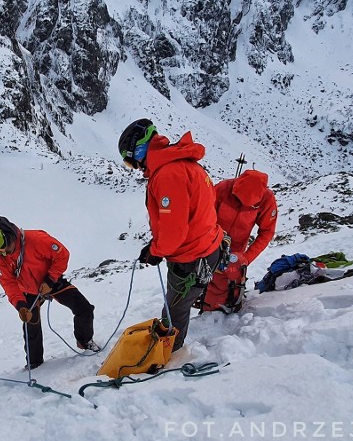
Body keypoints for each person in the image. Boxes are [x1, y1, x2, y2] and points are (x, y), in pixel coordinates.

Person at [118, 119, 224, 352]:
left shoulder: (168, 174)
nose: (134, 167)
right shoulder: (182, 163)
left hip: (191, 257)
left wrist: (156, 251)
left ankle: (168, 356)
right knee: (176, 306)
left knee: (174, 310)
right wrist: (156, 245)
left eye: (129, 161)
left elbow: (175, 232)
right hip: (205, 247)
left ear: (138, 150)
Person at [0, 215, 100, 369]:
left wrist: (51, 280)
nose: (2, 254)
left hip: (51, 281)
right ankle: (34, 363)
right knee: (30, 325)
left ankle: (85, 341)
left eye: (2, 250)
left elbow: (62, 255)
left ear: (7, 238)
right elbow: (8, 282)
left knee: (84, 308)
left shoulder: (36, 239)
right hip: (27, 290)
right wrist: (20, 305)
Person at [200, 169, 278, 313]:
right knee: (207, 279)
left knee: (230, 282)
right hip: (211, 243)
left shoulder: (267, 199)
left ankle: (225, 308)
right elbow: (204, 216)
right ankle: (207, 308)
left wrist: (247, 258)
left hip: (237, 251)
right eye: (238, 200)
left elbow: (267, 232)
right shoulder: (223, 188)